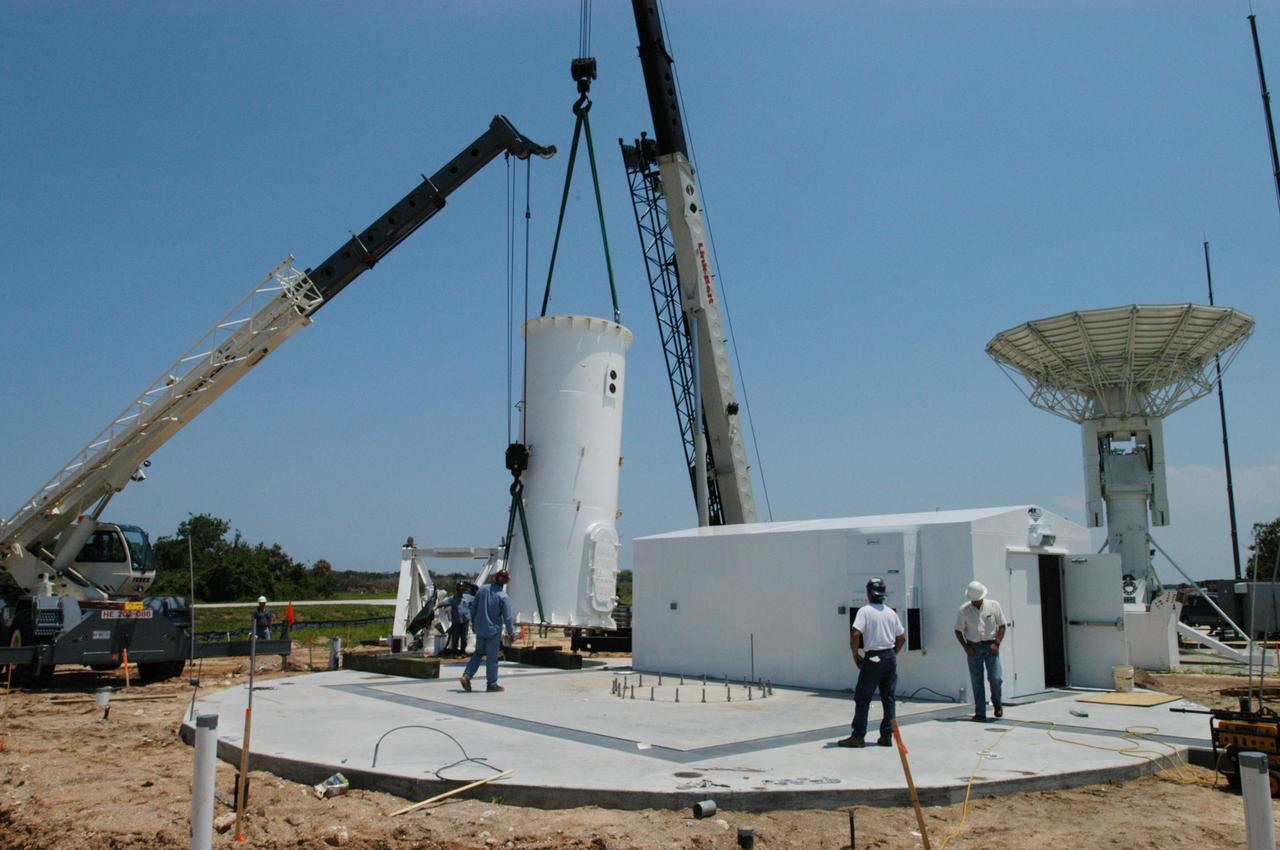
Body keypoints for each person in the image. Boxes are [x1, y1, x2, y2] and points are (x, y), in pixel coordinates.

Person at [838, 577, 906, 748]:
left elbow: (855, 634)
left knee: (863, 697)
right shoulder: (891, 612)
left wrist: (855, 655)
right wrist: (892, 654)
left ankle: (858, 736)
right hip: (889, 657)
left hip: (874, 657)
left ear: (869, 593)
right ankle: (887, 736)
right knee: (888, 698)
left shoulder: (865, 611)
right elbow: (902, 637)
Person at [954, 580, 1008, 721]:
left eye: (978, 600)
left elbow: (1002, 625)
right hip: (974, 646)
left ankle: (997, 703)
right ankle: (980, 712)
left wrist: (997, 642)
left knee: (995, 678)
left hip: (991, 645)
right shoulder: (964, 610)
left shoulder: (993, 605)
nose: (976, 602)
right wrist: (966, 647)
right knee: (977, 680)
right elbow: (958, 630)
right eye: (974, 600)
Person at [459, 570, 516, 693]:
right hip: (493, 631)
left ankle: (467, 675)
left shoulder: (483, 589)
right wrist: (512, 633)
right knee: (492, 658)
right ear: (506, 581)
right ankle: (492, 684)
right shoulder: (503, 597)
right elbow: (508, 617)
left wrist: (473, 622)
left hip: (480, 628)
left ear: (494, 578)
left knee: (478, 653)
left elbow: (473, 607)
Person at [444, 584, 469, 656]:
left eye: (462, 588)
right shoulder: (452, 598)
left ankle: (462, 652)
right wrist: (435, 607)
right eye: (459, 588)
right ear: (457, 589)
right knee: (455, 638)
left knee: (464, 638)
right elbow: (443, 603)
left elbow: (477, 601)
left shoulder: (468, 597)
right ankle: (454, 653)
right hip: (456, 622)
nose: (461, 589)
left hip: (465, 622)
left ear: (464, 589)